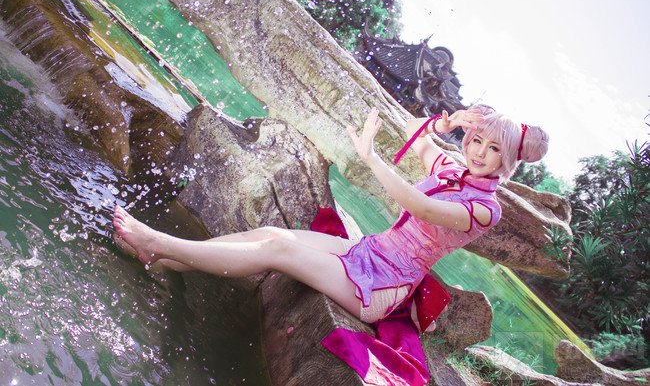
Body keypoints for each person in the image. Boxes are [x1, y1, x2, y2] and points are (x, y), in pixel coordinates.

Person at [112, 105, 548, 325]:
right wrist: (445, 124)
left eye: (494, 149)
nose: (479, 153)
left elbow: (420, 207)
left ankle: (159, 244)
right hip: (367, 251)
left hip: (385, 286)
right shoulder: (452, 168)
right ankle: (165, 261)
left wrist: (372, 159)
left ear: (507, 160)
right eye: (477, 141)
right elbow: (417, 137)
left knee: (279, 250)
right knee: (270, 231)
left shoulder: (485, 209)